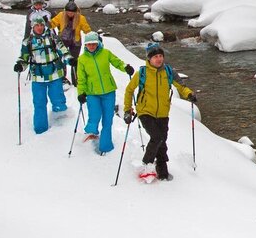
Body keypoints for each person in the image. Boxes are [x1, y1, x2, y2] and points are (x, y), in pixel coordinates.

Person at [123, 43, 195, 181]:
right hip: (145, 112)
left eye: (161, 56)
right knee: (157, 137)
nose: (159, 59)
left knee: (162, 140)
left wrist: (189, 94)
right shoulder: (142, 73)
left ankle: (162, 171)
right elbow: (129, 90)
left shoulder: (168, 72)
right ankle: (146, 165)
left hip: (163, 113)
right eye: (155, 56)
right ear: (149, 59)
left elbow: (181, 86)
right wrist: (127, 109)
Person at [76, 32, 134, 155]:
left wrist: (125, 67)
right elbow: (81, 79)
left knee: (108, 119)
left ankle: (106, 146)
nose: (91, 46)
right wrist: (81, 93)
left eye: (94, 43)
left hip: (109, 91)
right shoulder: (82, 59)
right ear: (85, 45)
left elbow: (117, 62)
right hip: (92, 93)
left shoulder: (105, 53)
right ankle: (91, 132)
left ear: (98, 43)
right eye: (89, 44)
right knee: (95, 115)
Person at [14, 16, 72, 134]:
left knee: (58, 99)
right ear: (33, 27)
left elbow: (63, 52)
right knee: (39, 102)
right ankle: (40, 129)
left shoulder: (53, 38)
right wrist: (20, 65)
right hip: (38, 77)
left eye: (41, 25)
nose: (39, 28)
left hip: (55, 74)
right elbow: (24, 58)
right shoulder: (28, 42)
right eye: (37, 25)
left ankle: (62, 126)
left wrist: (70, 59)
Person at [49, 0, 92, 86]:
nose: (70, 14)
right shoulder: (61, 15)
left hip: (75, 42)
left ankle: (76, 80)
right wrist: (47, 23)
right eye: (68, 12)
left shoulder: (81, 18)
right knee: (62, 59)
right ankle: (63, 78)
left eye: (72, 13)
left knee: (74, 61)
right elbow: (52, 24)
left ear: (76, 12)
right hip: (63, 41)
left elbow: (87, 30)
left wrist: (92, 36)